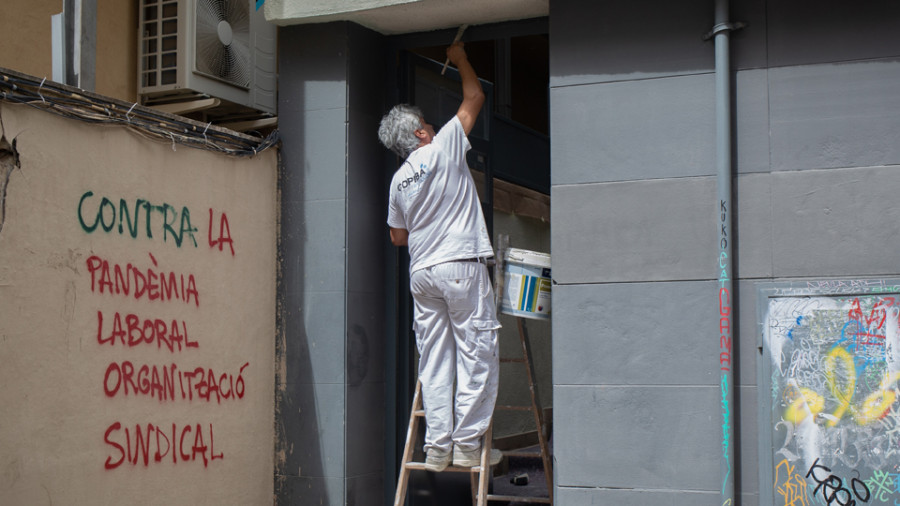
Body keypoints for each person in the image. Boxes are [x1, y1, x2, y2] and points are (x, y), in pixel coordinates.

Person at [378, 42, 502, 472]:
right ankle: (467, 446)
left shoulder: (397, 181)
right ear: (419, 134)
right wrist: (463, 57)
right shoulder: (444, 144)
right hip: (460, 265)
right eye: (426, 123)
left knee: (433, 358)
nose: (432, 126)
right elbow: (474, 98)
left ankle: (436, 448)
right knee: (476, 350)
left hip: (423, 273)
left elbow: (398, 237)